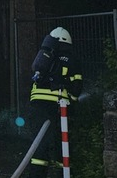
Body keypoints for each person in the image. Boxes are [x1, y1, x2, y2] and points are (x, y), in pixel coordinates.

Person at [26, 26, 83, 177]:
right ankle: (62, 174)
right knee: (61, 145)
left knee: (38, 146)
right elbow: (76, 89)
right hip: (59, 108)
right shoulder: (72, 60)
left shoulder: (44, 58)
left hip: (37, 105)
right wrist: (74, 101)